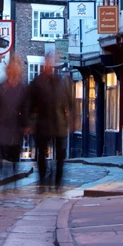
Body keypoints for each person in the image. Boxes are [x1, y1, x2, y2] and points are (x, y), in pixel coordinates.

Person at [27, 52, 74, 189]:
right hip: (42, 124)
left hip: (59, 123)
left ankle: (58, 182)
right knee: (41, 154)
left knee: (60, 156)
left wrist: (72, 120)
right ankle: (42, 180)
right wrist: (29, 122)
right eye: (48, 62)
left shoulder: (60, 82)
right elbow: (29, 104)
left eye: (51, 62)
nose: (49, 65)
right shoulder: (37, 82)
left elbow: (70, 102)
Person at [0, 58, 27, 175]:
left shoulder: (23, 89)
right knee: (4, 155)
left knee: (14, 156)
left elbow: (26, 108)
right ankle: (4, 179)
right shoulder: (1, 88)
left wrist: (26, 125)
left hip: (16, 128)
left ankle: (12, 181)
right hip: (3, 128)